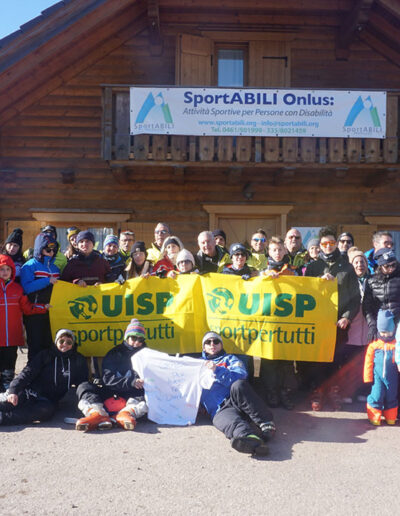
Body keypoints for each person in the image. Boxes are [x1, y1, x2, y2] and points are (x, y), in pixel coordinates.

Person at [305, 226, 360, 411]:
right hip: (318, 322)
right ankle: (318, 391)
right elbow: (306, 294)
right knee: (318, 360)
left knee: (336, 359)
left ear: (336, 243)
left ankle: (334, 391)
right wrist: (319, 282)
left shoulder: (347, 267)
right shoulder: (313, 267)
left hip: (338, 323)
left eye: (331, 243)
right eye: (324, 243)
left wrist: (347, 317)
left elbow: (355, 298)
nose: (328, 246)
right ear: (320, 245)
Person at [200, 331, 275, 456]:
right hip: (220, 408)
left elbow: (240, 376)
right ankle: (251, 440)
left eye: (216, 341)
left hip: (237, 399)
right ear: (204, 347)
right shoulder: (197, 365)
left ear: (221, 345)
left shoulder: (230, 359)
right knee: (227, 423)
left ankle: (266, 423)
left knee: (238, 385)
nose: (212, 344)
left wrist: (217, 369)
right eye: (208, 342)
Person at [0, 329, 88, 426]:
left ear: (73, 344)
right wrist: (13, 390)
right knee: (9, 404)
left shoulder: (78, 359)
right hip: (30, 392)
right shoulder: (45, 355)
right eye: (61, 341)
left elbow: (82, 383)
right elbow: (27, 373)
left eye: (69, 342)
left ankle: (2, 419)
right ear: (56, 342)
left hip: (49, 400)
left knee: (45, 412)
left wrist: (87, 403)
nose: (65, 345)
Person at [75, 319, 148, 431]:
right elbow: (107, 379)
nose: (136, 342)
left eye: (140, 339)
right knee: (84, 386)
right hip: (112, 391)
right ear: (126, 336)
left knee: (150, 395)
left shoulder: (147, 354)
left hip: (133, 395)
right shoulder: (115, 353)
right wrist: (131, 381)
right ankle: (97, 414)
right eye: (133, 338)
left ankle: (126, 414)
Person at [0, 255, 49, 391]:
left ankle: (7, 382)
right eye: (1, 269)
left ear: (12, 272)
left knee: (10, 359)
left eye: (7, 269)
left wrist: (42, 307)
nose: (4, 272)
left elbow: (27, 308)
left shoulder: (17, 289)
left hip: (13, 335)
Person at [260, 237, 298, 409]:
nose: (277, 253)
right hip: (269, 323)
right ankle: (271, 393)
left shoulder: (292, 271)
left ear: (284, 251)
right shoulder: (262, 272)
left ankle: (285, 393)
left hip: (287, 323)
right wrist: (264, 278)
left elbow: (303, 289)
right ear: (269, 252)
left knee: (286, 361)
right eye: (274, 250)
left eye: (280, 249)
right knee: (269, 360)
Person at [20, 233, 60, 361]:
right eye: (48, 249)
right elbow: (26, 288)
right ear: (39, 249)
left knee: (49, 345)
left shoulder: (55, 268)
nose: (51, 253)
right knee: (36, 347)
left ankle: (47, 376)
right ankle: (33, 377)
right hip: (34, 313)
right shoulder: (29, 265)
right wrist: (47, 281)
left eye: (54, 250)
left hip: (51, 312)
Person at [339, 247, 370, 403]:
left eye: (362, 261)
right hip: (351, 329)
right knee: (348, 364)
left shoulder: (372, 281)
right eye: (356, 262)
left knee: (364, 363)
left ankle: (362, 392)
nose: (359, 265)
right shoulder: (348, 282)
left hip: (367, 331)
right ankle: (347, 393)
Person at [363, 310, 398, 426]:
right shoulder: (374, 345)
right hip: (377, 377)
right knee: (376, 395)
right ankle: (374, 416)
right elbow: (368, 362)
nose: (385, 335)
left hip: (392, 378)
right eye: (382, 332)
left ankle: (391, 417)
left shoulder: (396, 345)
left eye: (388, 332)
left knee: (391, 396)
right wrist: (367, 377)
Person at [363, 247, 400, 342]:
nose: (391, 268)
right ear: (380, 266)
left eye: (394, 265)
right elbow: (367, 306)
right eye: (387, 266)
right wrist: (372, 325)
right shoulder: (371, 281)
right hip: (381, 328)